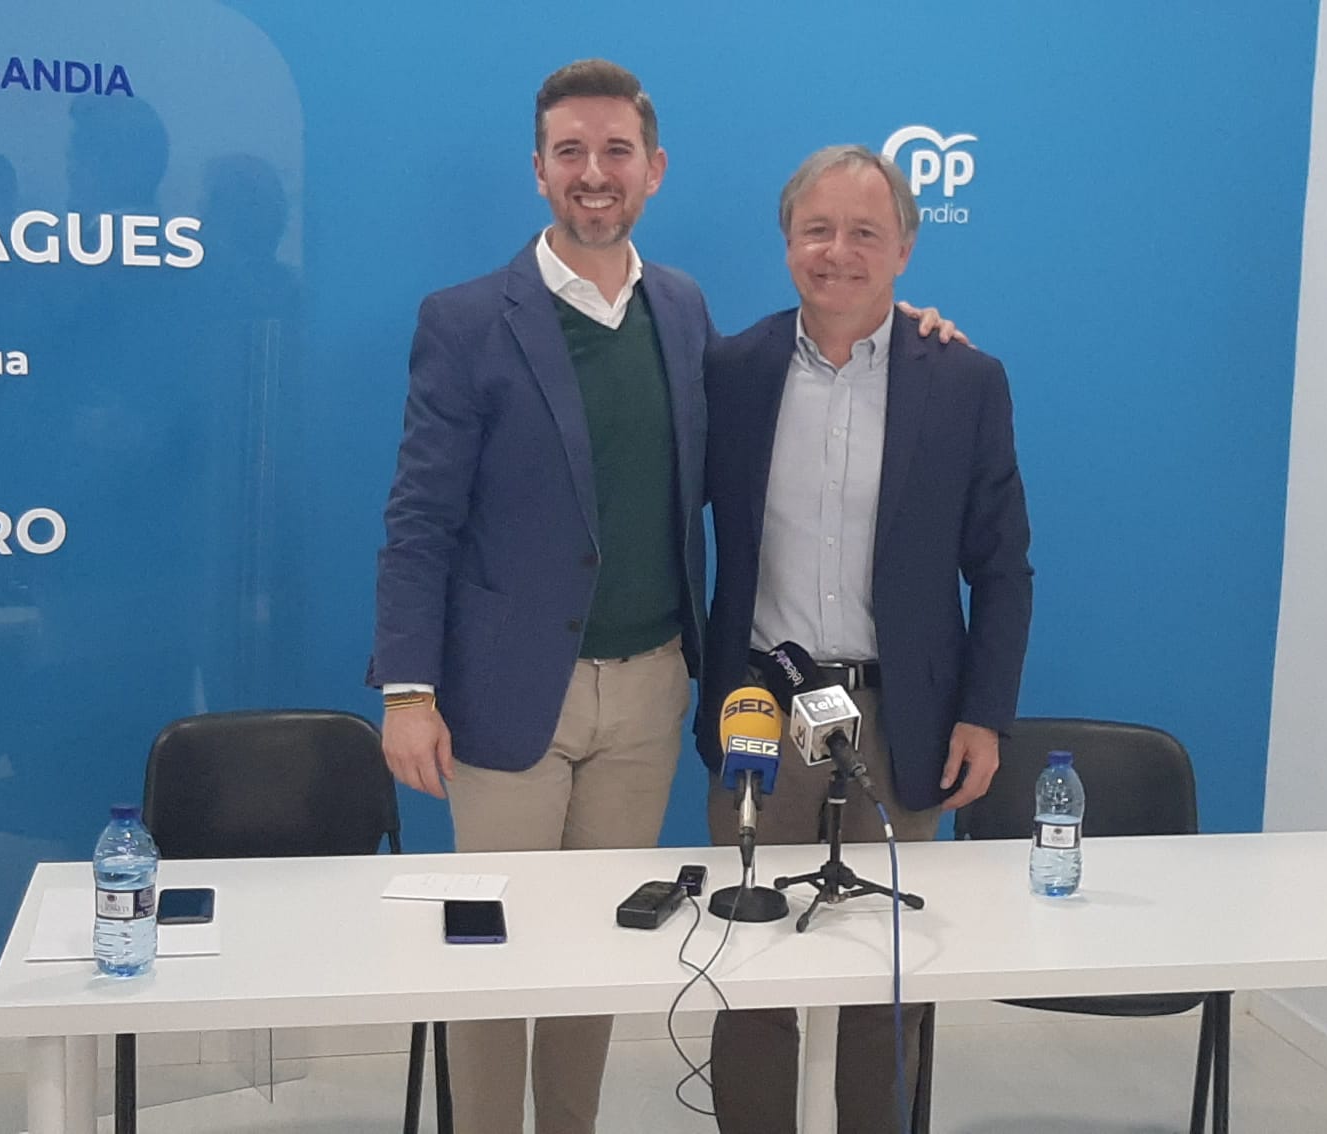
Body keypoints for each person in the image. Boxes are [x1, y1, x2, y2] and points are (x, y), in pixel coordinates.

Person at [370, 62, 962, 1134]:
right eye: (570, 154)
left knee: (600, 946)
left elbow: (824, 355)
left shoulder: (684, 311)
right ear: (540, 171)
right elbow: (419, 519)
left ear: (653, 171)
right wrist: (409, 687)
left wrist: (909, 330)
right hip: (510, 698)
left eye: (615, 153)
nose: (593, 175)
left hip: (650, 696)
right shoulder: (464, 321)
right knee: (495, 956)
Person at [696, 145, 1035, 1134]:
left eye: (863, 234)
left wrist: (985, 712)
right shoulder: (731, 372)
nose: (836, 252)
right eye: (817, 230)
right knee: (752, 971)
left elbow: (1002, 566)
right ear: (787, 241)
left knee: (885, 983)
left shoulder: (966, 380)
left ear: (904, 252)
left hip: (903, 722)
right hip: (764, 711)